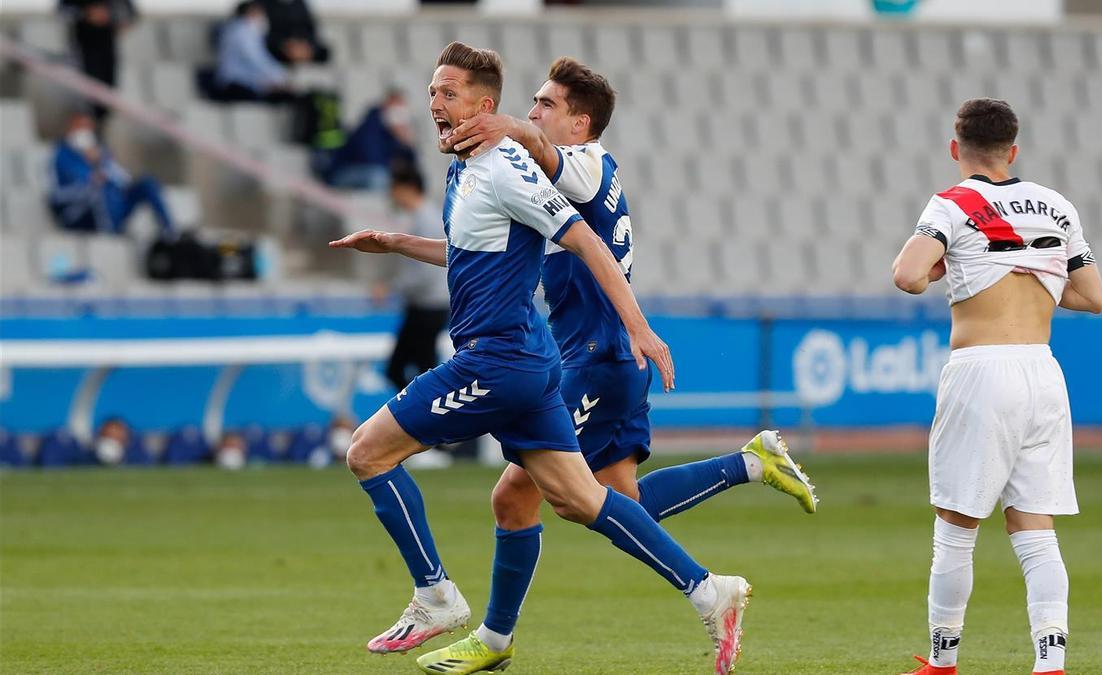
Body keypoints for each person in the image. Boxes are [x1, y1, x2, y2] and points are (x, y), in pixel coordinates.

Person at [329, 42, 750, 675]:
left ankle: (436, 596)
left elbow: (585, 241)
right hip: (532, 362)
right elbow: (470, 247)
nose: (435, 105)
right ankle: (707, 590)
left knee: (367, 451)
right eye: (432, 94)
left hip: (498, 362)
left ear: (483, 106)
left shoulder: (508, 165)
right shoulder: (466, 169)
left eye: (448, 94)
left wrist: (640, 328)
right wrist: (394, 243)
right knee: (581, 500)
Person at [436, 54, 820, 665]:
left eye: (547, 105)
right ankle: (749, 464)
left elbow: (539, 147)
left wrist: (509, 126)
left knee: (516, 495)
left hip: (596, 358)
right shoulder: (555, 184)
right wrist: (401, 243)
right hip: (602, 357)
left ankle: (497, 639)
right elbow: (490, 247)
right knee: (623, 500)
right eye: (532, 102)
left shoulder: (586, 165)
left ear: (581, 124)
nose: (534, 112)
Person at [891, 98, 1102, 675]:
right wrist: (1031, 270)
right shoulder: (1057, 207)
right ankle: (1050, 663)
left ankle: (942, 661)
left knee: (956, 526)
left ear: (955, 148)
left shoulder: (955, 202)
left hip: (982, 370)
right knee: (1035, 526)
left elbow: (908, 275)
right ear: (1013, 151)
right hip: (1042, 370)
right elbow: (1093, 296)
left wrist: (950, 266)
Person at [48, 110, 175, 236]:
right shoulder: (61, 154)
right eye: (80, 126)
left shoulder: (100, 153)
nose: (85, 131)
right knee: (99, 191)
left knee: (146, 184)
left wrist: (98, 163)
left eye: (88, 127)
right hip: (78, 213)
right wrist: (93, 179)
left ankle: (170, 233)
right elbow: (59, 193)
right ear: (71, 128)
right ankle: (110, 238)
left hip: (112, 207)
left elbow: (122, 179)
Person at [381, 163, 450, 392]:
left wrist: (391, 288)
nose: (391, 194)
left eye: (394, 188)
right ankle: (425, 418)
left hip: (427, 306)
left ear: (407, 188)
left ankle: (421, 419)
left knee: (401, 368)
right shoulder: (426, 216)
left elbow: (425, 274)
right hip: (429, 305)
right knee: (422, 369)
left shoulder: (425, 220)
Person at [317, 91, 418, 191]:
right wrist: (393, 164)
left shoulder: (394, 134)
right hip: (340, 172)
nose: (399, 116)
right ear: (386, 106)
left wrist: (407, 145)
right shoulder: (371, 125)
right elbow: (370, 158)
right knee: (380, 178)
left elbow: (411, 168)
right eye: (396, 110)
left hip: (369, 173)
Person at [58, 0, 138, 123]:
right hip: (81, 52)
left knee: (106, 100)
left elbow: (130, 15)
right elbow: (62, 12)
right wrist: (86, 14)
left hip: (106, 53)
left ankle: (101, 129)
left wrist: (110, 16)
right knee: (83, 100)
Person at [212, 1, 292, 103]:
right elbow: (256, 60)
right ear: (250, 12)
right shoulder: (242, 31)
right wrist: (280, 77)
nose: (262, 17)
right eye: (259, 13)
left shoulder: (246, 31)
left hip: (245, 82)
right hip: (234, 85)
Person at [259, 0, 330, 65]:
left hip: (303, 45)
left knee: (324, 51)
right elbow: (263, 33)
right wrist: (285, 45)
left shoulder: (300, 3)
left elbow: (310, 29)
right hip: (279, 46)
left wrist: (305, 46)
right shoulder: (264, 4)